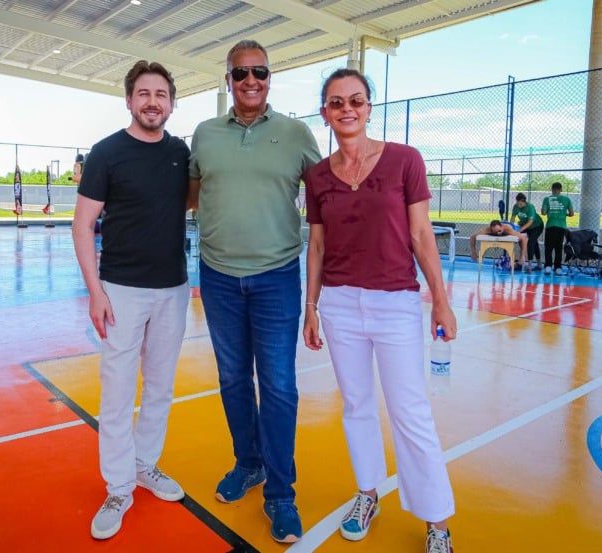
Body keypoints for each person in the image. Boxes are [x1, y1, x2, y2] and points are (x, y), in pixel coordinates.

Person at [302, 68, 456, 553]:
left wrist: (441, 301)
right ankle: (367, 494)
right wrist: (311, 306)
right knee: (356, 407)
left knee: (410, 411)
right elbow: (318, 244)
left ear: (369, 107)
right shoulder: (318, 176)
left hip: (395, 304)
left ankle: (436, 522)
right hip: (341, 305)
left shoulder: (405, 160)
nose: (347, 108)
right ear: (324, 113)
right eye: (336, 102)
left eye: (356, 100)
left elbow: (420, 235)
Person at [188, 39, 321, 544]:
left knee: (280, 386)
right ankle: (249, 464)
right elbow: (190, 195)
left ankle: (281, 494)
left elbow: (327, 193)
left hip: (277, 278)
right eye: (240, 73)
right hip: (218, 277)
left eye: (259, 73)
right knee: (232, 380)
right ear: (227, 80)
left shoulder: (295, 133)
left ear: (270, 78)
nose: (250, 81)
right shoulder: (205, 134)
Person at [71, 60, 190, 541]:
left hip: (174, 288)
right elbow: (82, 225)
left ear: (171, 103)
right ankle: (119, 486)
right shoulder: (107, 153)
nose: (152, 102)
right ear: (129, 100)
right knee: (118, 393)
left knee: (160, 387)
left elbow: (195, 201)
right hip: (120, 289)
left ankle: (145, 465)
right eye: (144, 93)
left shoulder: (181, 153)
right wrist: (95, 291)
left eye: (161, 94)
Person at [541, 181, 574, 275]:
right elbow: (572, 214)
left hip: (551, 225)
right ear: (561, 190)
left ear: (552, 189)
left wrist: (548, 211)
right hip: (561, 226)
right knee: (558, 247)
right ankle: (558, 267)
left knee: (548, 247)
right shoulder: (567, 199)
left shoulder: (547, 199)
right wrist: (564, 214)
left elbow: (543, 212)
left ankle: (548, 266)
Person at [510, 192, 544, 271]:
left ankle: (529, 265)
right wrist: (511, 227)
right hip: (525, 226)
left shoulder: (530, 207)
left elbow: (530, 222)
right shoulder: (516, 207)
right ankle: (523, 260)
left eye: (521, 204)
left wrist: (520, 230)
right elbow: (512, 218)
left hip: (536, 226)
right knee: (530, 243)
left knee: (531, 242)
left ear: (524, 201)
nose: (519, 205)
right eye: (518, 203)